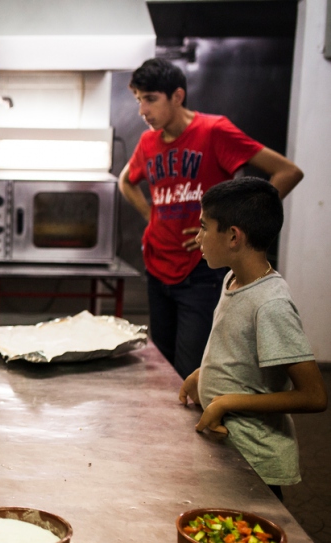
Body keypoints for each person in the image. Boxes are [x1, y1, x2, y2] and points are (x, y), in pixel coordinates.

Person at [118, 58, 303, 379]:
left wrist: (240, 222)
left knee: (190, 369)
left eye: (150, 99)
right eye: (138, 100)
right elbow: (125, 182)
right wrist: (153, 217)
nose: (142, 111)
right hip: (158, 265)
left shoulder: (213, 130)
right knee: (160, 368)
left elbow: (287, 172)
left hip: (200, 271)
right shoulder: (148, 142)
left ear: (177, 96)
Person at [178, 177, 326, 501]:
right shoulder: (234, 279)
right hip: (230, 449)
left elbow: (314, 395)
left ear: (233, 236)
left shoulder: (270, 304)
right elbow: (243, 355)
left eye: (204, 227)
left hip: (255, 462)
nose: (199, 237)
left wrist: (228, 401)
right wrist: (206, 376)